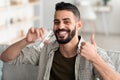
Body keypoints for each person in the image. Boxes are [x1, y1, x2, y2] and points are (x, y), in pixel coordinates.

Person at [0, 2, 120, 80]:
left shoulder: (93, 53)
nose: (60, 26)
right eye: (57, 22)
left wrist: (95, 58)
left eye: (66, 22)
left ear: (79, 25)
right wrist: (26, 41)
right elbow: (5, 57)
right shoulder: (44, 50)